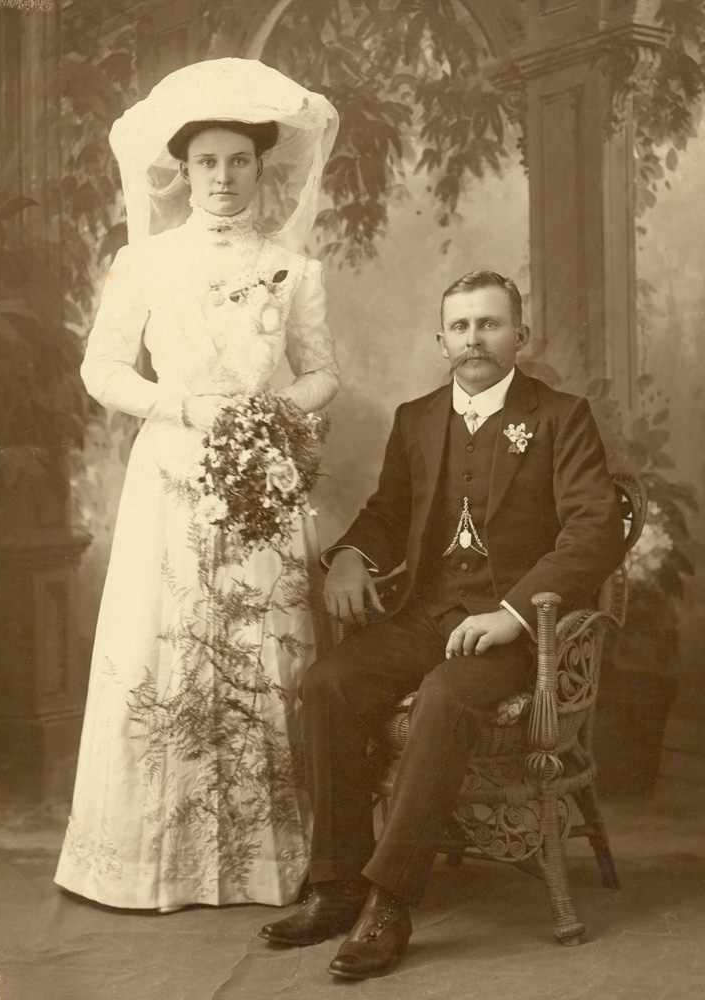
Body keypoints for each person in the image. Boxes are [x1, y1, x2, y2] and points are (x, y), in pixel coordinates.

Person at [260, 269, 626, 977]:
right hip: (428, 614)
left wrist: (513, 614)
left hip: (520, 632)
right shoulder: (418, 417)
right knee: (329, 683)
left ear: (520, 334)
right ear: (441, 340)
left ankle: (389, 902)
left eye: (489, 324)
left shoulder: (560, 416)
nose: (473, 339)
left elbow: (594, 529)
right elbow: (388, 513)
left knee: (446, 696)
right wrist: (349, 558)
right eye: (460, 326)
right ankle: (336, 886)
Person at [54, 59, 339, 911]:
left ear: (261, 167)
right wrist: (179, 405)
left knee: (261, 648)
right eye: (206, 162)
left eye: (238, 161)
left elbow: (323, 373)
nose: (222, 177)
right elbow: (102, 368)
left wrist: (270, 414)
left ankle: (263, 862)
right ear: (182, 171)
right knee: (166, 645)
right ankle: (150, 865)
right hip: (170, 477)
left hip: (260, 478)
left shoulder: (293, 268)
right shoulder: (144, 262)